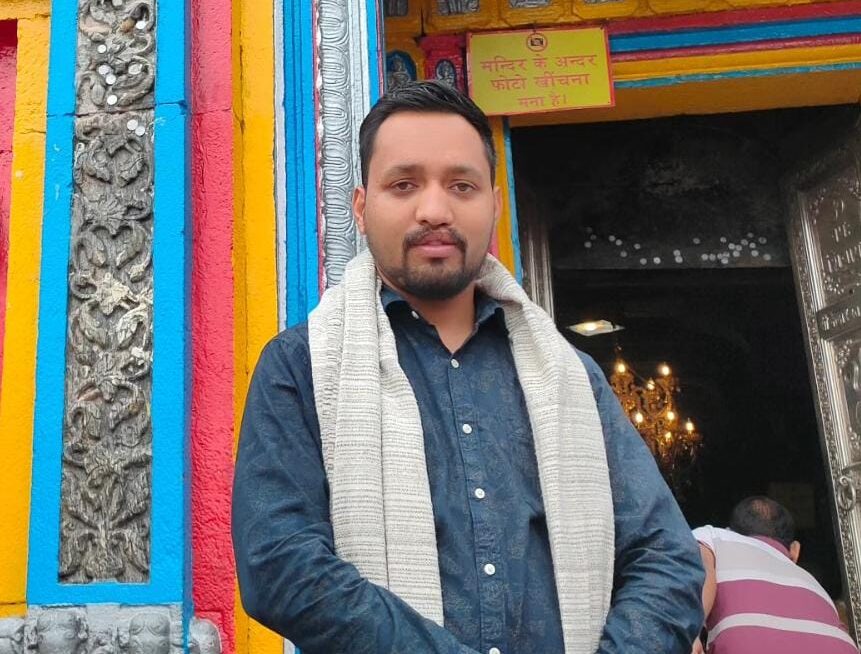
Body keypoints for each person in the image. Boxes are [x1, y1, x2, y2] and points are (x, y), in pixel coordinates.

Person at [232, 80, 704, 654]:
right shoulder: (301, 367)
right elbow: (279, 563)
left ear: (495, 206)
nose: (434, 210)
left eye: (462, 186)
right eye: (403, 185)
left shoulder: (571, 377)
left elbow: (666, 557)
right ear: (360, 207)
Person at [692, 496, 858, 654]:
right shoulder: (814, 585)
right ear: (795, 550)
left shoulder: (714, 536)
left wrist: (691, 632)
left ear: (729, 531)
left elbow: (700, 572)